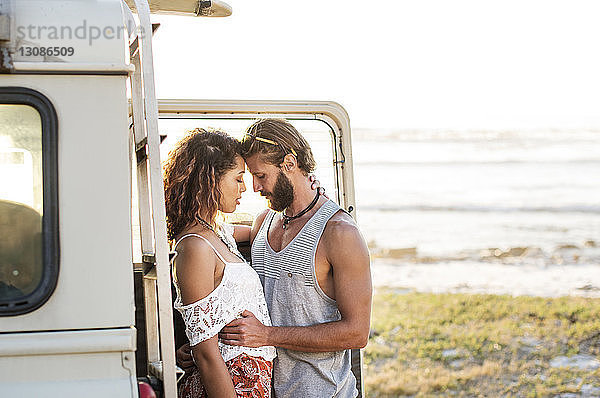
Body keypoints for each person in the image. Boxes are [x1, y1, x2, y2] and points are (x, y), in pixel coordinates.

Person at [178, 119, 372, 397]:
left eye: (261, 176)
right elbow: (205, 237)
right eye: (247, 177)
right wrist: (199, 346)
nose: (254, 187)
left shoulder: (339, 233)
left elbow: (356, 333)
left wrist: (267, 335)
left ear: (289, 163)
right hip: (263, 390)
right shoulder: (263, 223)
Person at [164, 128, 276, 398]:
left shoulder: (217, 233)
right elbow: (205, 353)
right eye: (238, 179)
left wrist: (315, 205)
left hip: (251, 382)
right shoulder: (194, 247)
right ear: (212, 180)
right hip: (229, 385)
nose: (245, 187)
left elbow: (266, 229)